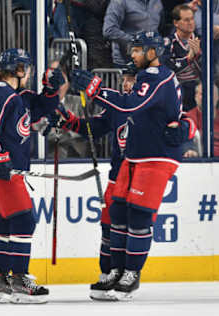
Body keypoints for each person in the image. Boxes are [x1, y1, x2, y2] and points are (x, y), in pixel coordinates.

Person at [72, 31, 184, 301]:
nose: (132, 55)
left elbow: (132, 107)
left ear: (152, 52)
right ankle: (117, 270)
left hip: (155, 157)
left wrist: (95, 89)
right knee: (119, 212)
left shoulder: (158, 77)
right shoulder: (148, 77)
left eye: (137, 50)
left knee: (139, 216)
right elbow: (117, 112)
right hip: (134, 156)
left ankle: (131, 274)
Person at [0, 48, 64, 304]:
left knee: (7, 222)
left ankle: (0, 280)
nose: (29, 73)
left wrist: (51, 89)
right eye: (26, 67)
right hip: (1, 169)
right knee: (25, 220)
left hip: (5, 168)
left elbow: (39, 109)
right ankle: (19, 281)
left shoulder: (16, 96)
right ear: (18, 69)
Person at [161, 4, 202, 111]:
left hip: (198, 92)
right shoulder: (167, 43)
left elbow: (210, 70)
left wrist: (199, 55)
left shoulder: (203, 41)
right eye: (186, 20)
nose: (190, 22)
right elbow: (166, 67)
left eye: (192, 19)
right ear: (176, 23)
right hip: (176, 92)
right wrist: (188, 58)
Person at [103, 0, 164, 68]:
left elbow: (160, 28)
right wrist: (136, 41)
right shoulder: (119, 2)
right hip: (127, 62)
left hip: (152, 61)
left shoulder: (157, 1)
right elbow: (109, 30)